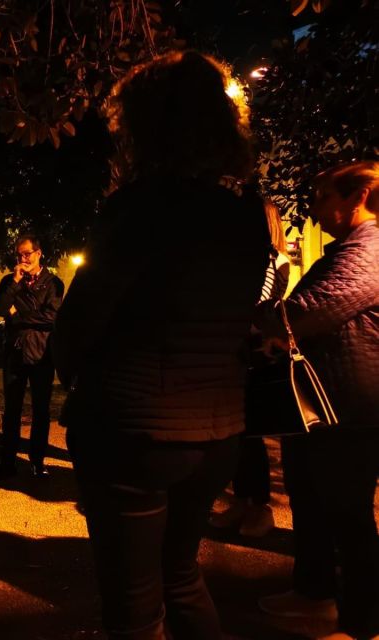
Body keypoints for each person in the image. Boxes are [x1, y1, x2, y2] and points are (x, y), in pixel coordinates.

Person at [54, 51, 270, 639]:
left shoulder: (140, 207)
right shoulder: (246, 212)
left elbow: (81, 320)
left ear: (144, 123)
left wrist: (73, 371)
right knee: (180, 575)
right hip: (217, 428)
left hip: (133, 429)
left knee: (133, 604)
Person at [256, 160, 379, 640]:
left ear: (359, 196)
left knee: (347, 514)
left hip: (352, 403)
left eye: (325, 196)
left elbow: (314, 309)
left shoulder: (369, 249)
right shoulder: (348, 247)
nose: (315, 207)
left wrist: (258, 318)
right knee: (310, 500)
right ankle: (313, 594)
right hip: (323, 401)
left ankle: (362, 620)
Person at [209, 202, 291, 538]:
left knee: (251, 434)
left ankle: (260, 507)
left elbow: (258, 305)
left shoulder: (272, 260)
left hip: (252, 354)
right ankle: (243, 500)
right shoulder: (250, 258)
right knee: (237, 435)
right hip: (237, 351)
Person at [0, 234, 64, 479]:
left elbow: (51, 317)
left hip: (42, 353)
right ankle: (7, 462)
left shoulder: (53, 283)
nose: (23, 258)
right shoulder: (9, 281)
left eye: (28, 253)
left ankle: (37, 461)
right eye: (20, 254)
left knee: (41, 410)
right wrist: (13, 283)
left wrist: (18, 316)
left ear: (38, 253)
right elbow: (0, 308)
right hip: (15, 352)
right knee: (11, 410)